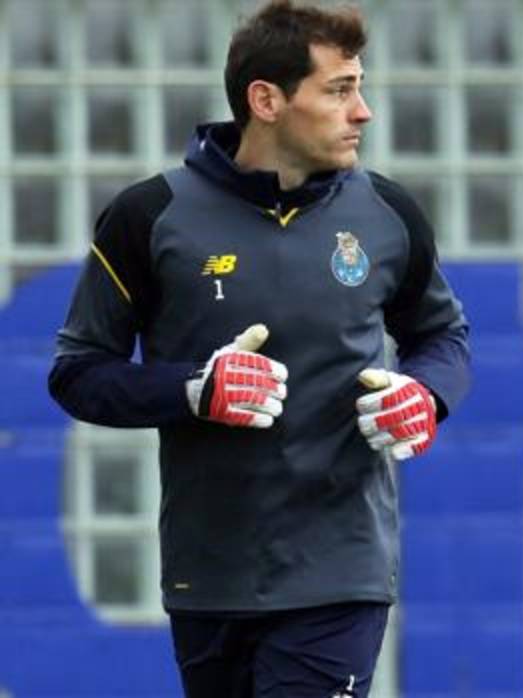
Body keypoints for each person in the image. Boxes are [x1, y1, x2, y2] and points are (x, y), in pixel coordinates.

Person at [47, 1, 470, 695]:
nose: (361, 111)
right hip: (207, 576)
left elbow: (442, 337)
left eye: (359, 87)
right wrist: (192, 391)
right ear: (266, 99)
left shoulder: (388, 215)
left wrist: (424, 395)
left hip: (342, 572)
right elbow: (78, 373)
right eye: (338, 90)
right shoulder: (149, 215)